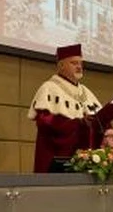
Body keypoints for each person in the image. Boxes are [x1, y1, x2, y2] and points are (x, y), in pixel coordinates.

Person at [29, 44, 104, 172]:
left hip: (85, 162)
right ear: (61, 66)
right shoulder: (49, 88)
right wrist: (77, 123)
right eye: (74, 63)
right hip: (56, 159)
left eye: (81, 63)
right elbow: (44, 122)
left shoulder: (85, 91)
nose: (79, 67)